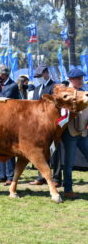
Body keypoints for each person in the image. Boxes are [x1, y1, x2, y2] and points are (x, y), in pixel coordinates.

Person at [29, 64, 62, 187]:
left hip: (52, 125)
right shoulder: (37, 89)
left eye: (40, 75)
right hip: (39, 126)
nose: (38, 78)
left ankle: (57, 178)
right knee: (41, 152)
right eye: (36, 76)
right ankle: (41, 176)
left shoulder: (55, 87)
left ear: (46, 73)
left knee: (55, 152)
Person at [0, 64, 20, 186]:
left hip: (9, 122)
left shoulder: (12, 86)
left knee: (8, 149)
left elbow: (4, 99)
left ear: (4, 75)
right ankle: (1, 175)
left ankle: (10, 176)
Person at [61, 68, 88, 198]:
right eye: (78, 78)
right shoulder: (65, 93)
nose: (81, 81)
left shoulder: (84, 92)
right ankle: (68, 189)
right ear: (71, 80)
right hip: (70, 132)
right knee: (69, 163)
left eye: (81, 78)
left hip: (83, 131)